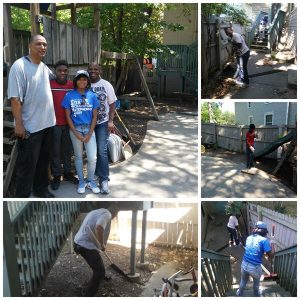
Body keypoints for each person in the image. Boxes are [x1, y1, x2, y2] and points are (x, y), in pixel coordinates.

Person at [8, 34, 56, 198]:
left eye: (45, 45)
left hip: (48, 123)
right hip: (30, 127)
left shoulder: (43, 66)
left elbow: (55, 78)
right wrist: (19, 125)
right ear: (30, 45)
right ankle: (22, 198)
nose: (42, 47)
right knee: (27, 166)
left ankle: (40, 190)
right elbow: (15, 99)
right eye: (38, 44)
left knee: (43, 162)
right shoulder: (19, 66)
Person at [62, 70, 100, 194]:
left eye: (84, 79)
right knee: (78, 157)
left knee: (92, 157)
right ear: (76, 81)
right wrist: (76, 132)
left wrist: (90, 133)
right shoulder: (69, 95)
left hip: (89, 129)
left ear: (88, 81)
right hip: (75, 129)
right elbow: (68, 116)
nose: (82, 81)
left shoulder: (92, 95)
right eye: (79, 79)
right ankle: (81, 182)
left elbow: (95, 116)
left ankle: (90, 181)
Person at [74, 204, 119, 296]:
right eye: (115, 216)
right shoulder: (107, 214)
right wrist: (101, 244)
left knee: (98, 268)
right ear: (114, 214)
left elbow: (93, 226)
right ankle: (88, 294)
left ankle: (94, 282)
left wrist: (98, 245)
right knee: (100, 271)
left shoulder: (96, 211)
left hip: (79, 242)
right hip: (85, 245)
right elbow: (99, 227)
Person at [87, 62, 117, 194]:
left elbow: (112, 103)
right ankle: (93, 177)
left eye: (95, 69)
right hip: (87, 124)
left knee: (102, 151)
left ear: (99, 70)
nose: (93, 71)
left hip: (102, 123)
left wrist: (110, 120)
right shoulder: (84, 84)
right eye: (90, 69)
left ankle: (104, 180)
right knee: (91, 153)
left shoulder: (106, 84)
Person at [50, 60, 78, 190]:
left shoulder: (72, 86)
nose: (62, 73)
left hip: (69, 124)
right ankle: (56, 175)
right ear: (55, 72)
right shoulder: (49, 85)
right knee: (55, 151)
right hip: (53, 124)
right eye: (60, 70)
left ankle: (67, 173)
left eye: (65, 70)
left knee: (67, 151)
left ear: (68, 72)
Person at [236, 221, 275, 297]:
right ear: (264, 231)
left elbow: (256, 250)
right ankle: (256, 295)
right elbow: (272, 255)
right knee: (256, 284)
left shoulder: (249, 238)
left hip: (244, 264)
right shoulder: (264, 241)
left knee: (243, 281)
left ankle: (239, 293)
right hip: (254, 267)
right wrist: (273, 242)